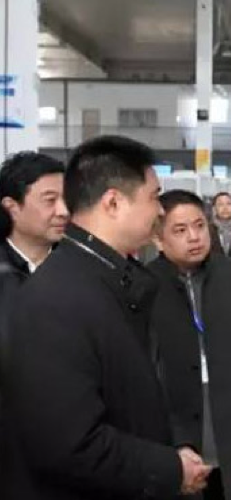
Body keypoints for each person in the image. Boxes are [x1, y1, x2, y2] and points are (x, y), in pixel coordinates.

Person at [0, 135, 211, 499]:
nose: (161, 211)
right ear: (113, 202)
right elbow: (68, 444)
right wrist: (168, 469)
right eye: (153, 197)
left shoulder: (111, 281)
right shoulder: (56, 300)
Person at [149, 189, 231, 500]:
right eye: (180, 230)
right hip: (173, 444)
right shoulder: (144, 287)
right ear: (158, 239)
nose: (194, 237)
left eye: (199, 226)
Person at [0, 152, 68, 483]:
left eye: (66, 199)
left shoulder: (80, 271)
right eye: (50, 200)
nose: (63, 211)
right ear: (12, 207)